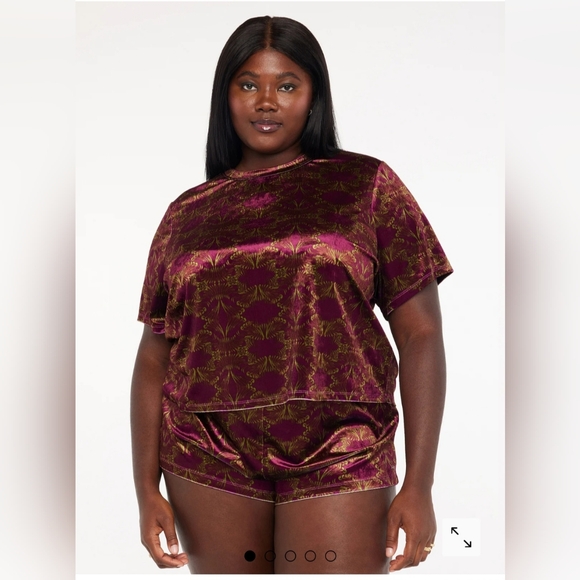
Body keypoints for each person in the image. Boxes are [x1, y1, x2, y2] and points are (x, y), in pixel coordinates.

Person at [130, 15, 453, 574]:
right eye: (248, 84)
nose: (266, 102)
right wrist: (144, 489)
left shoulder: (367, 186)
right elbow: (154, 357)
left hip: (343, 445)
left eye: (286, 85)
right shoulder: (185, 215)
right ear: (225, 95)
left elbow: (421, 334)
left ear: (314, 95)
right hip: (206, 449)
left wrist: (420, 486)